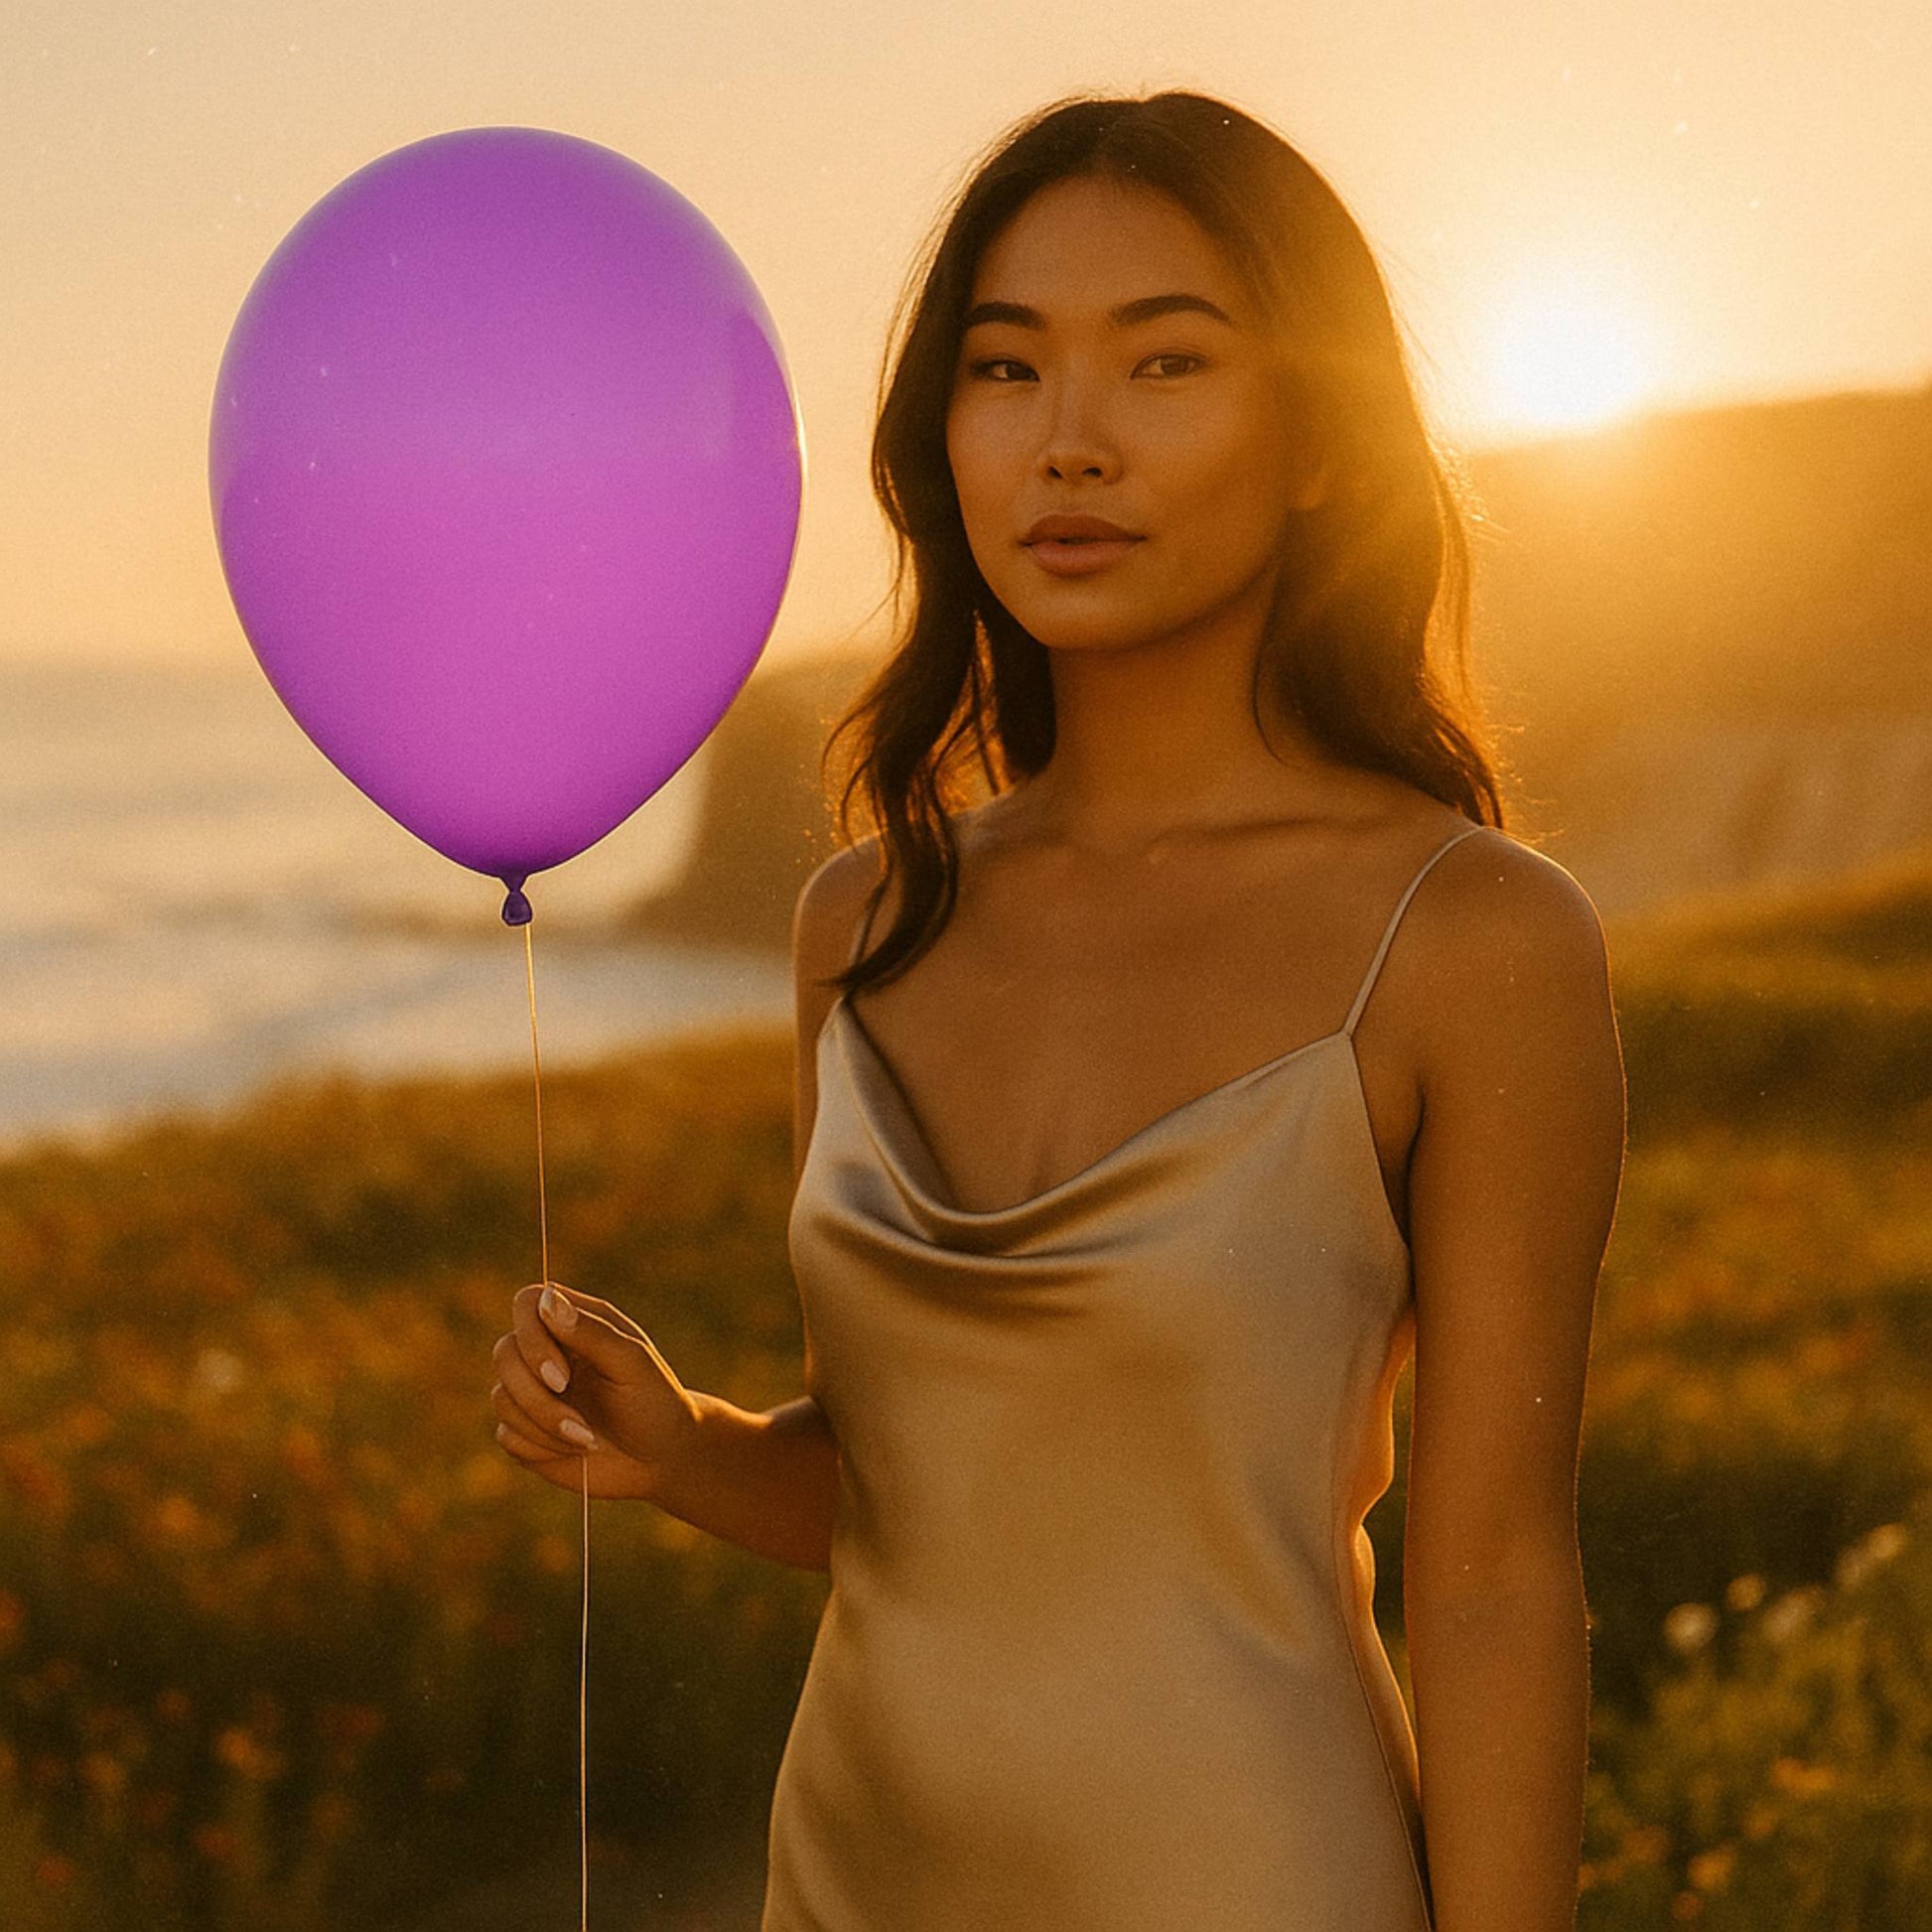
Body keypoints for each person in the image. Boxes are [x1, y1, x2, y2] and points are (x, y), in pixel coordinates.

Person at [488, 88, 1623, 1932]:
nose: (1068, 443)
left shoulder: (1470, 937)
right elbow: (917, 1496)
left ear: (1318, 440)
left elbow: (1491, 1577)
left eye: (1165, 363)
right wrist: (685, 1444)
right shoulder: (863, 922)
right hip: (850, 1884)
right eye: (1005, 370)